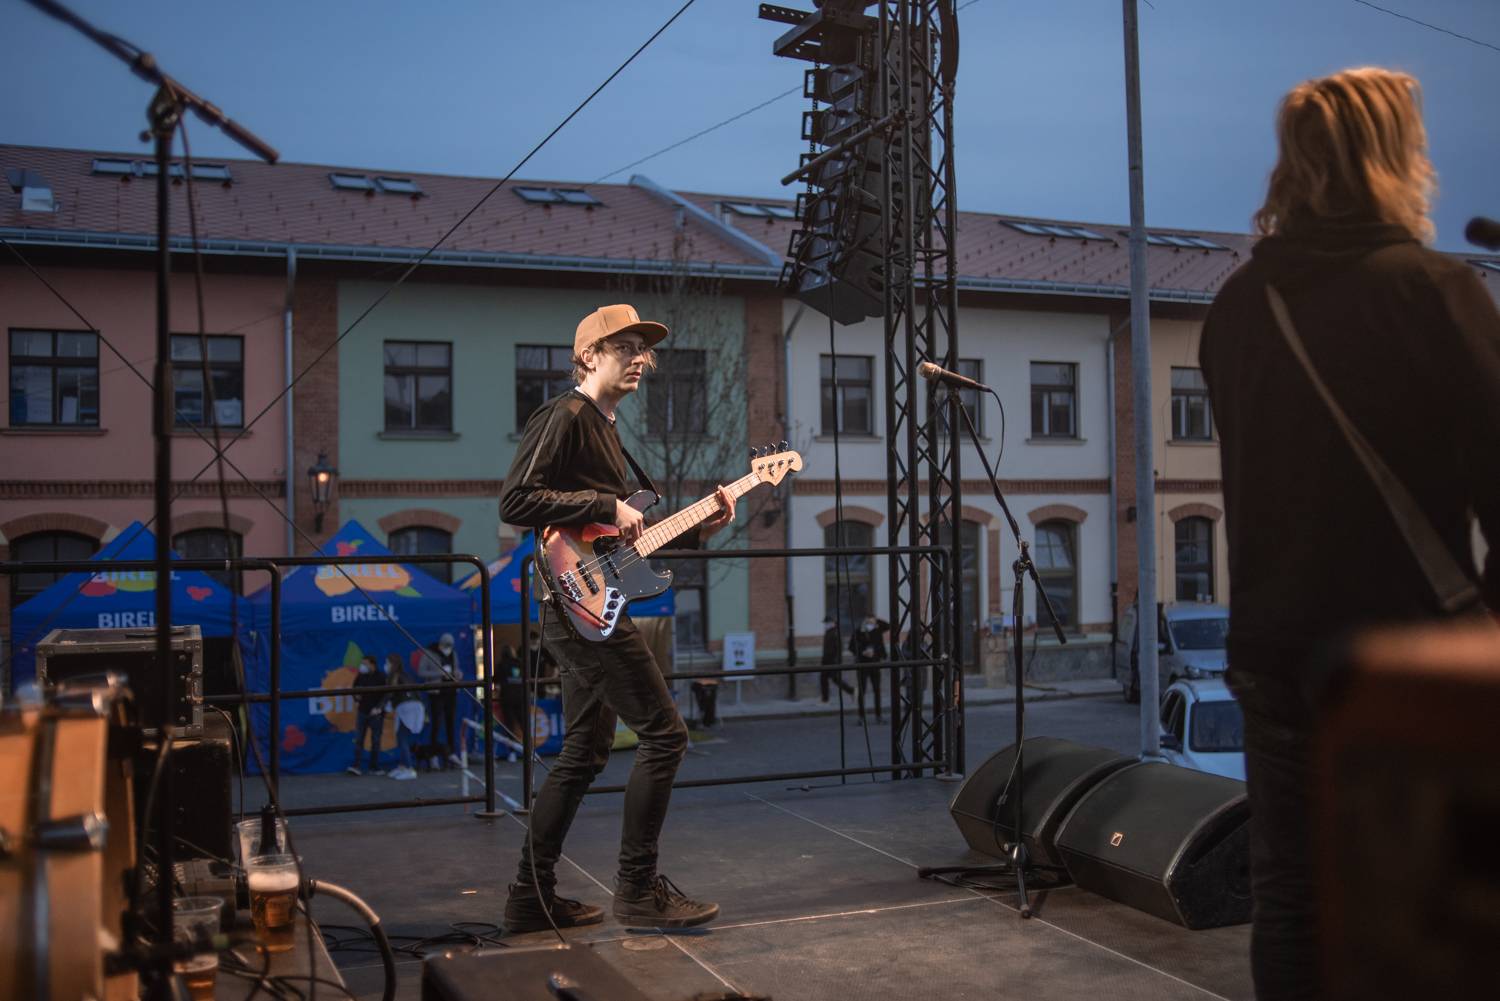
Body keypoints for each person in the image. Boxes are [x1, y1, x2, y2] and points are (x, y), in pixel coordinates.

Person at [1199, 67, 1500, 1001]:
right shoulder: (1433, 291)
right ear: (1394, 157)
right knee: (1436, 911)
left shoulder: (1238, 309)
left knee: (1290, 901)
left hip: (1275, 651)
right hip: (1405, 654)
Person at [497, 304, 737, 934]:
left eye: (643, 349)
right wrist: (604, 499)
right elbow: (517, 499)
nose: (640, 358)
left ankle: (530, 898)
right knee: (665, 735)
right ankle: (636, 890)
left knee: (583, 749)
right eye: (624, 347)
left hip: (591, 602)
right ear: (588, 357)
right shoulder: (567, 414)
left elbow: (615, 539)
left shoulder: (606, 429)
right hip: (579, 607)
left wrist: (694, 528)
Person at [421, 632, 462, 768]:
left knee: (451, 722)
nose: (448, 648)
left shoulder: (453, 654)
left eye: (450, 646)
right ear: (440, 644)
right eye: (446, 646)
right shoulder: (429, 653)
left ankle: (451, 753)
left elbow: (456, 669)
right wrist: (439, 673)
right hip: (436, 692)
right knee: (437, 724)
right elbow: (421, 672)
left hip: (451, 691)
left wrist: (457, 674)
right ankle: (433, 755)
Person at [384, 653, 423, 781]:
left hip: (408, 708)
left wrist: (380, 707)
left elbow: (389, 694)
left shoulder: (395, 676)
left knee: (402, 739)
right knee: (401, 736)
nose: (386, 665)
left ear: (393, 664)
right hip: (408, 708)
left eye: (387, 663)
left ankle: (410, 769)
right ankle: (402, 766)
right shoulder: (403, 675)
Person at [347, 655, 387, 775]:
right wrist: (356, 697)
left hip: (376, 713)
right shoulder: (361, 676)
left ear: (372, 664)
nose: (362, 666)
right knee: (359, 739)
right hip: (362, 712)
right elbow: (354, 688)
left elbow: (386, 694)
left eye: (365, 664)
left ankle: (374, 767)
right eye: (362, 664)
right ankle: (356, 766)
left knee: (375, 740)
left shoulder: (381, 676)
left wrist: (379, 708)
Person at [848, 614, 889, 724]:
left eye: (873, 622)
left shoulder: (877, 630)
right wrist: (862, 652)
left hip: (875, 663)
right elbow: (851, 646)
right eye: (869, 622)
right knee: (862, 691)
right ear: (865, 622)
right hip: (862, 664)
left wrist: (876, 620)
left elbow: (888, 626)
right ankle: (861, 717)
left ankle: (878, 716)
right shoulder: (859, 631)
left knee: (877, 690)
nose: (871, 624)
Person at [819, 615, 854, 703]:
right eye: (825, 623)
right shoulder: (829, 632)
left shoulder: (835, 633)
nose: (825, 624)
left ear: (832, 623)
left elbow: (839, 648)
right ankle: (851, 691)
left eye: (827, 623)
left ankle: (825, 700)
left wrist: (836, 661)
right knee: (827, 679)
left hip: (832, 661)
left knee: (833, 679)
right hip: (827, 661)